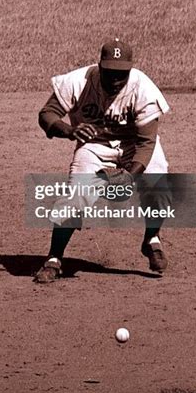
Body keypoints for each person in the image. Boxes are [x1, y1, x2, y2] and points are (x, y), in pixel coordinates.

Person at [34, 38, 171, 283]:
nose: (116, 79)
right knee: (77, 194)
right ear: (99, 66)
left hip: (133, 145)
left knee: (159, 180)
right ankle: (54, 257)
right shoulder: (79, 81)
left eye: (122, 73)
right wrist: (68, 131)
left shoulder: (143, 88)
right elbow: (47, 114)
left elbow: (146, 142)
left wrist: (130, 176)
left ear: (130, 69)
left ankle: (152, 239)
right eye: (110, 72)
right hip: (94, 147)